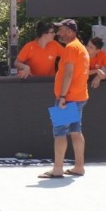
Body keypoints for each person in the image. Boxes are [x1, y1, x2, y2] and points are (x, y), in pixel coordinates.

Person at [39, 19, 90, 179]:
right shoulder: (80, 47)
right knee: (76, 131)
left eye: (61, 30)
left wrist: (62, 96)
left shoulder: (71, 47)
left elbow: (68, 72)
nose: (58, 33)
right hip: (79, 96)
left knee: (60, 133)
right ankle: (79, 167)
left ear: (69, 31)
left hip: (68, 98)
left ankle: (57, 169)